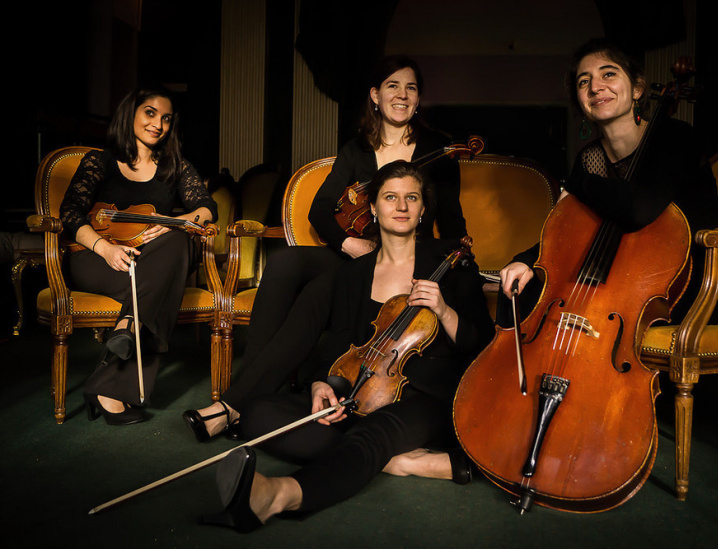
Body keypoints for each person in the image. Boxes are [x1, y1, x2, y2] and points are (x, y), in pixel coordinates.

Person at [183, 55, 467, 445]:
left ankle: (234, 405)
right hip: (356, 253)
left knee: (319, 292)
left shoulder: (439, 150)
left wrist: (461, 265)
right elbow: (320, 210)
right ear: (375, 95)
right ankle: (248, 398)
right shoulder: (357, 149)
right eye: (393, 86)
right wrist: (350, 244)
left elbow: (450, 219)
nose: (402, 95)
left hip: (402, 257)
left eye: (411, 88)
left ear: (418, 100)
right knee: (284, 263)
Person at [198, 161, 494, 533]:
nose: (401, 206)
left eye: (412, 198)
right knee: (258, 414)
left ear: (422, 209)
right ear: (373, 207)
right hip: (361, 393)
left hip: (424, 398)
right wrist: (321, 384)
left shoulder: (451, 264)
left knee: (374, 432)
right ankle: (399, 461)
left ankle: (281, 494)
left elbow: (482, 343)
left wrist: (444, 311)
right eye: (390, 197)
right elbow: (338, 343)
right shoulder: (354, 272)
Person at [499, 39, 718, 326]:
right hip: (628, 277)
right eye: (583, 81)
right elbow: (570, 233)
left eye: (608, 74)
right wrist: (525, 260)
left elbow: (638, 208)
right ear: (580, 101)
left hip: (693, 283)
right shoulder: (590, 158)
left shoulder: (676, 138)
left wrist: (578, 183)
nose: (595, 87)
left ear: (637, 89)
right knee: (520, 290)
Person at [60, 87, 218, 425]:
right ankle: (112, 376)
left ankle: (125, 334)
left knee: (179, 239)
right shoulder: (100, 161)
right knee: (161, 288)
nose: (158, 124)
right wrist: (105, 249)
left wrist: (173, 222)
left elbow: (207, 208)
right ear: (131, 113)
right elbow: (70, 213)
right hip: (95, 257)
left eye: (166, 118)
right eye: (150, 113)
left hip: (150, 262)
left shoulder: (175, 167)